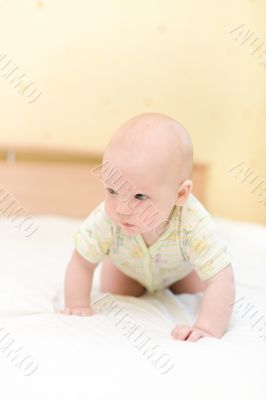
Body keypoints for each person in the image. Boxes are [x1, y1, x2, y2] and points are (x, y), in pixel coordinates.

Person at [60, 112, 235, 342]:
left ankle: (182, 285)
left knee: (196, 289)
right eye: (112, 191)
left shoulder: (193, 223)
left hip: (181, 270)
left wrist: (207, 328)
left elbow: (221, 279)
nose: (122, 209)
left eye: (140, 196)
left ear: (180, 194)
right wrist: (77, 305)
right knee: (114, 291)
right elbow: (82, 263)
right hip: (126, 269)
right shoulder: (106, 219)